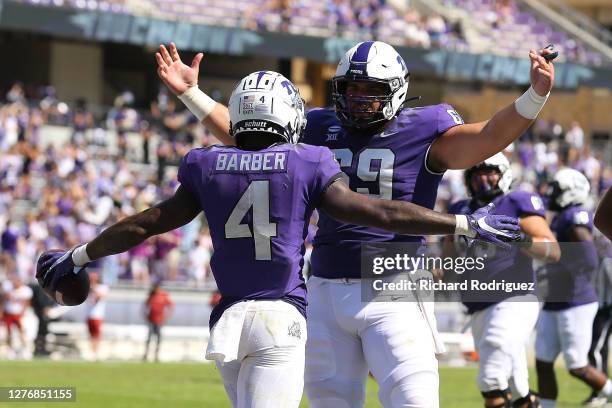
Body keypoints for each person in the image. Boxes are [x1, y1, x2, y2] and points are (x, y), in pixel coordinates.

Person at [37, 72, 519, 408]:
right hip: (284, 313)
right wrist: (459, 224)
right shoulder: (306, 161)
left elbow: (147, 223)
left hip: (228, 318)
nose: (356, 98)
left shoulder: (207, 163)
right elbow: (379, 210)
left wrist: (78, 254)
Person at [156, 39, 555, 406]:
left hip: (393, 283)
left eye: (371, 90)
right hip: (326, 286)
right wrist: (190, 93)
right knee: (331, 401)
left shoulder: (423, 128)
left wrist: (535, 94)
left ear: (396, 89)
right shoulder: (317, 127)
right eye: (351, 88)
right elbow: (248, 135)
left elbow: (487, 136)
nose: (359, 99)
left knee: (414, 400)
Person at [447, 153, 560, 408]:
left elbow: (553, 250)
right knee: (517, 386)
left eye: (489, 171)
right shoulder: (460, 209)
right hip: (478, 305)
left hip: (513, 298)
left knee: (491, 378)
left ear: (504, 173)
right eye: (475, 173)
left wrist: (521, 239)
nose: (482, 179)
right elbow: (446, 260)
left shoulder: (516, 201)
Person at [535, 169, 612, 408]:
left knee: (577, 366)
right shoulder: (561, 217)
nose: (552, 194)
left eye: (557, 189)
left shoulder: (574, 215)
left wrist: (557, 268)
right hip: (556, 299)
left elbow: (587, 259)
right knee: (543, 361)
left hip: (575, 299)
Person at [1, 274, 33, 358]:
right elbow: (3, 301)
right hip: (8, 313)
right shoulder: (8, 289)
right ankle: (10, 350)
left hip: (19, 314)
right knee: (8, 333)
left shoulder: (25, 290)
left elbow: (27, 303)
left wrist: (23, 313)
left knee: (22, 332)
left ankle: (25, 349)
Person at [143, 282, 174, 362]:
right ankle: (146, 355)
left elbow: (171, 306)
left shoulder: (163, 295)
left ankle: (156, 356)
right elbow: (145, 306)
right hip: (151, 320)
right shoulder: (151, 295)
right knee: (149, 338)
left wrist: (167, 316)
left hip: (159, 321)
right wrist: (145, 316)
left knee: (158, 339)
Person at [85, 271, 108, 360]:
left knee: (97, 335)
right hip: (89, 314)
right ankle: (92, 351)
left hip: (97, 315)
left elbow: (101, 297)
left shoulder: (103, 287)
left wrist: (93, 289)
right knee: (90, 335)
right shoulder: (88, 288)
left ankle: (96, 352)